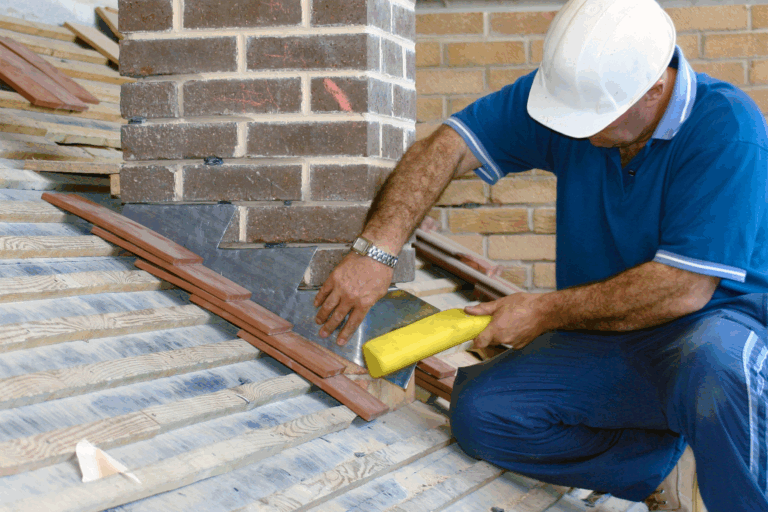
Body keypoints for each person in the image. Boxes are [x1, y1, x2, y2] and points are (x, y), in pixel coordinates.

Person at [313, 0, 768, 510]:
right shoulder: (574, 95)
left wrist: (541, 311)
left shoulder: (727, 129)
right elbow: (446, 147)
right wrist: (377, 250)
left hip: (713, 328)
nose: (579, 132)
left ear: (654, 90)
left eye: (595, 120)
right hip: (610, 333)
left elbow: (682, 289)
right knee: (483, 413)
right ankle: (658, 466)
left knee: (717, 370)